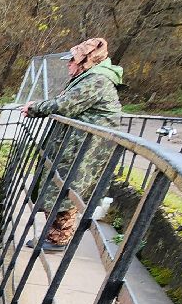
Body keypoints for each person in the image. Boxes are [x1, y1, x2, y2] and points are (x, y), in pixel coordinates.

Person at [21, 37, 124, 250]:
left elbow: (65, 105)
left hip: (85, 147)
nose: (68, 64)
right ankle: (54, 236)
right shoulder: (91, 77)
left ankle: (58, 239)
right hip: (76, 143)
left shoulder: (97, 80)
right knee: (58, 185)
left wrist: (34, 108)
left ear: (84, 60)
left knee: (65, 188)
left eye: (72, 61)